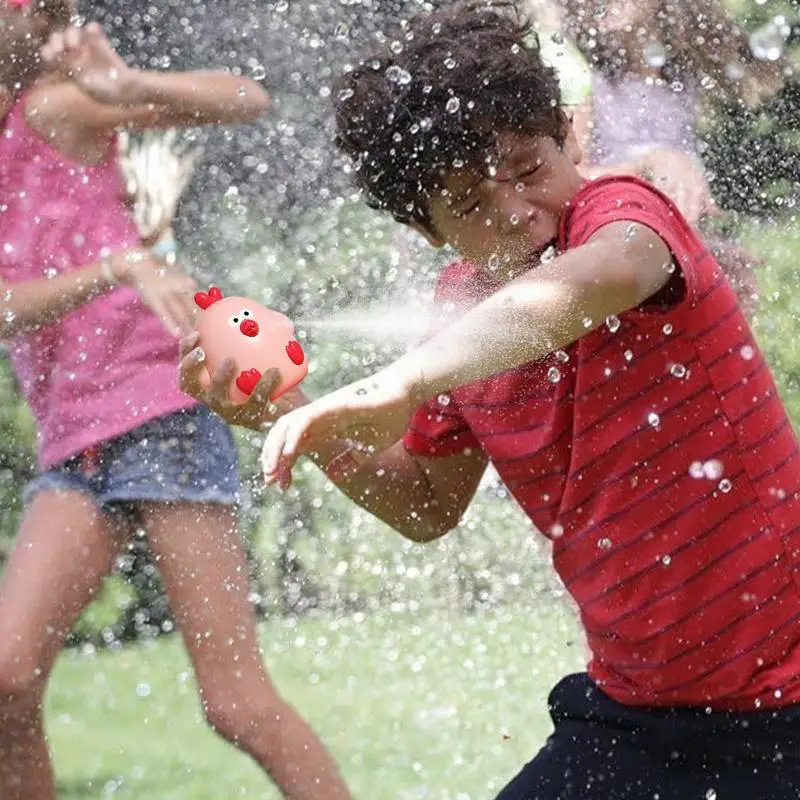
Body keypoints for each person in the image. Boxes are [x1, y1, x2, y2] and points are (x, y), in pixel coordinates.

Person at [183, 1, 800, 797]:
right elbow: (423, 504)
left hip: (786, 707)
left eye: (530, 168)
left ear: (569, 140)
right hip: (638, 714)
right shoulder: (458, 323)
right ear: (428, 229)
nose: (517, 209)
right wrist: (290, 411)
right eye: (471, 205)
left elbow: (588, 286)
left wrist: (404, 381)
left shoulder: (622, 214)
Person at [0, 6, 350, 800]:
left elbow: (245, 99)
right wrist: (116, 266)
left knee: (234, 703)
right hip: (76, 441)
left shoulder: (53, 109)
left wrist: (127, 83)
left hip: (157, 410)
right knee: (6, 680)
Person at [560, 0, 791, 314]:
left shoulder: (679, 83)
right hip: (619, 253)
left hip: (668, 253)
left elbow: (677, 197)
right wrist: (649, 163)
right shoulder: (591, 83)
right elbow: (575, 179)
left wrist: (709, 249)